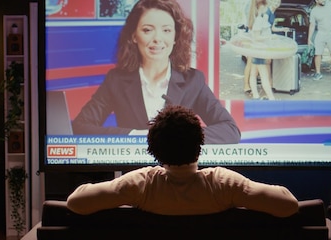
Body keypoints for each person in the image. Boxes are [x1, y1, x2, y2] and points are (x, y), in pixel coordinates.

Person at [67, 104, 299, 218]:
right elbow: (289, 205)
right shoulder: (223, 183)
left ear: (154, 149)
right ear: (200, 143)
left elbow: (76, 202)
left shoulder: (141, 184)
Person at [71, 0, 241, 144]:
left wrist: (177, 137)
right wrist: (135, 136)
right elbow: (80, 127)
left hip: (177, 175)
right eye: (147, 30)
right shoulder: (116, 80)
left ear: (175, 37)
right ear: (134, 36)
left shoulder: (193, 80)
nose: (157, 38)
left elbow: (230, 130)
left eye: (166, 30)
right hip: (133, 175)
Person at [247, 0, 277, 100]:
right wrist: (269, 38)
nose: (268, 11)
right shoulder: (259, 20)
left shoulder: (260, 20)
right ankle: (271, 98)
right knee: (264, 76)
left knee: (253, 74)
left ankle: (256, 97)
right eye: (266, 9)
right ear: (262, 10)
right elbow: (256, 37)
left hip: (259, 50)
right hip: (259, 51)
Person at [308, 0, 331, 81]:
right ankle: (318, 73)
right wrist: (309, 38)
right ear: (316, 0)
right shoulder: (314, 11)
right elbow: (312, 25)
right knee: (317, 54)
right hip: (320, 33)